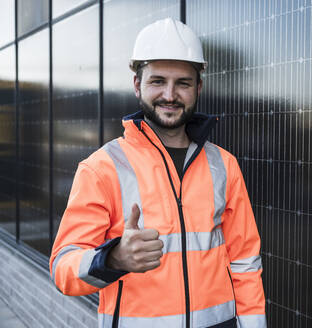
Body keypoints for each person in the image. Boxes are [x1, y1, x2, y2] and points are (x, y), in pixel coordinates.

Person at [50, 17, 266, 328]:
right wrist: (113, 259)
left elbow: (245, 261)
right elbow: (62, 269)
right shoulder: (102, 168)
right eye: (157, 81)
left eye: (183, 83)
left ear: (198, 88)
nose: (170, 94)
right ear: (137, 85)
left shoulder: (224, 164)